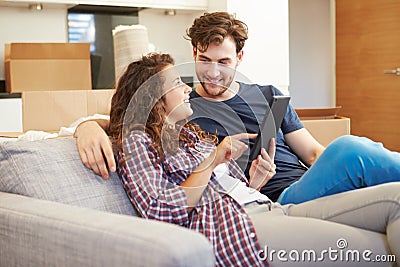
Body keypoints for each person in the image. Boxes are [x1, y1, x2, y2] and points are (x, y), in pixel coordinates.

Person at [74, 12, 400, 205]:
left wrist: (338, 173)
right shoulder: (182, 106)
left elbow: (314, 154)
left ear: (239, 59)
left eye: (224, 62)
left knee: (356, 156)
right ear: (194, 52)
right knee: (350, 149)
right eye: (204, 61)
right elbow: (132, 115)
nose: (213, 72)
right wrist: (86, 125)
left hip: (313, 183)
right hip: (274, 200)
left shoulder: (271, 95)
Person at [109, 52, 400, 267]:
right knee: (377, 250)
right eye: (175, 83)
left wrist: (255, 182)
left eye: (224, 62)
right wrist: (211, 160)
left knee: (396, 199)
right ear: (151, 96)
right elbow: (162, 211)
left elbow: (229, 187)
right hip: (236, 228)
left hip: (269, 207)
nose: (186, 87)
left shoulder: (189, 136)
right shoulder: (137, 142)